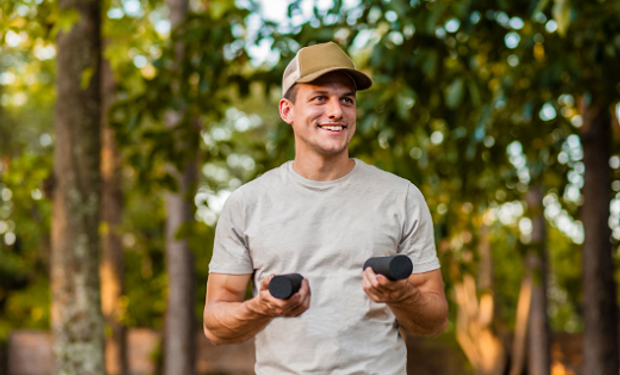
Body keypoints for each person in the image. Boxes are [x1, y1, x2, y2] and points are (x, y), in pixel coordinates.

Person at [203, 41, 448, 375]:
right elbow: (215, 326)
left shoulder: (400, 197)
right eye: (320, 98)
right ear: (286, 110)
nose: (336, 111)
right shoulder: (246, 204)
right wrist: (262, 307)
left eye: (346, 99)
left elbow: (434, 321)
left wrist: (400, 295)